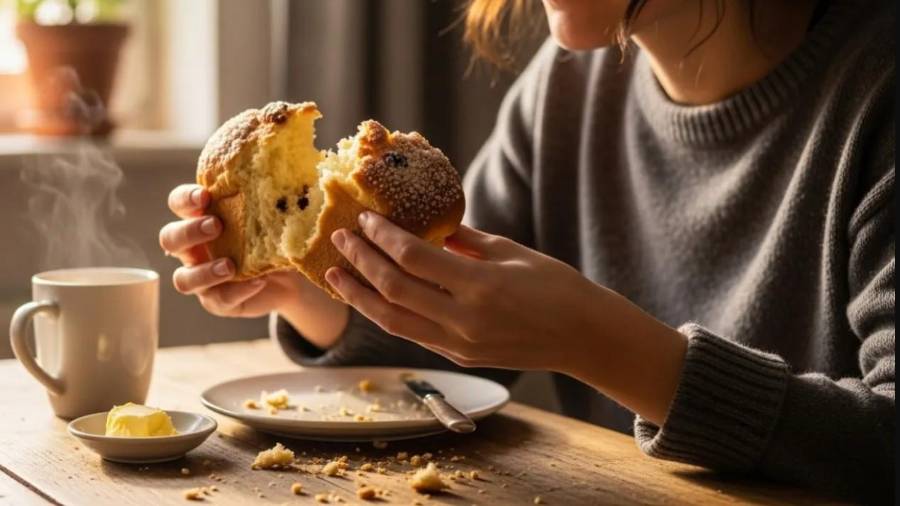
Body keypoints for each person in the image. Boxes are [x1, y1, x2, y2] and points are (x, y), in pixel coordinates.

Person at [159, 0, 894, 502]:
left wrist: (602, 344)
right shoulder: (565, 86)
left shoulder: (877, 89)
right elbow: (455, 344)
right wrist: (303, 286)